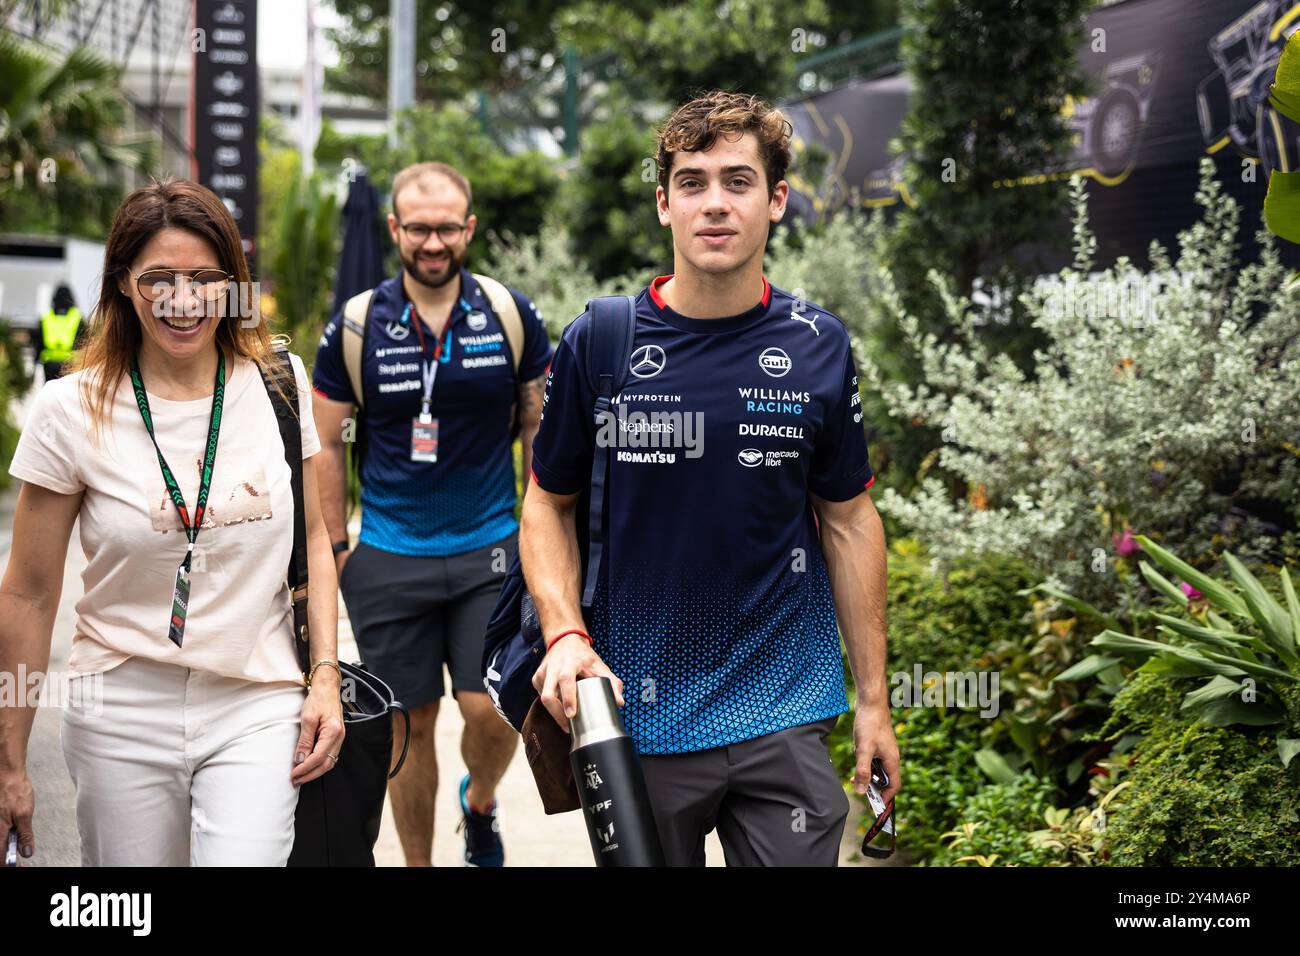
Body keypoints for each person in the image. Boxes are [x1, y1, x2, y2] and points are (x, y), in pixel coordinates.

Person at [520, 91, 900, 866]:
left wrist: (874, 702)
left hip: (785, 710)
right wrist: (563, 634)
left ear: (777, 200)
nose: (715, 204)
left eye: (738, 181)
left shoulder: (817, 345)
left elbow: (851, 520)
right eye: (692, 183)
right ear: (664, 205)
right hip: (640, 716)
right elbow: (546, 505)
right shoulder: (602, 342)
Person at [0, 179, 344, 867]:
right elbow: (30, 594)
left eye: (205, 279)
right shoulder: (71, 410)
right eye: (159, 279)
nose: (184, 301)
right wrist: (10, 761)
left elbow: (314, 538)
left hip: (258, 699)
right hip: (120, 708)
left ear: (233, 284)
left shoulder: (279, 386)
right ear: (124, 284)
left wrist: (327, 679)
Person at [312, 161, 551, 867]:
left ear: (468, 228)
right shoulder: (357, 325)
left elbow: (539, 422)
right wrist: (336, 544)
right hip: (388, 552)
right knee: (406, 728)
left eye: (448, 226)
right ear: (396, 230)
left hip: (491, 551)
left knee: (493, 707)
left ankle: (479, 806)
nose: (434, 241)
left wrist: (542, 525)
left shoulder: (509, 314)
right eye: (419, 227)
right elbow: (325, 439)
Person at [32, 282, 88, 382]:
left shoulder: (46, 318)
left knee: (50, 393)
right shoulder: (77, 318)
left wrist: (35, 362)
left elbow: (38, 343)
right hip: (70, 365)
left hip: (49, 365)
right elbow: (84, 343)